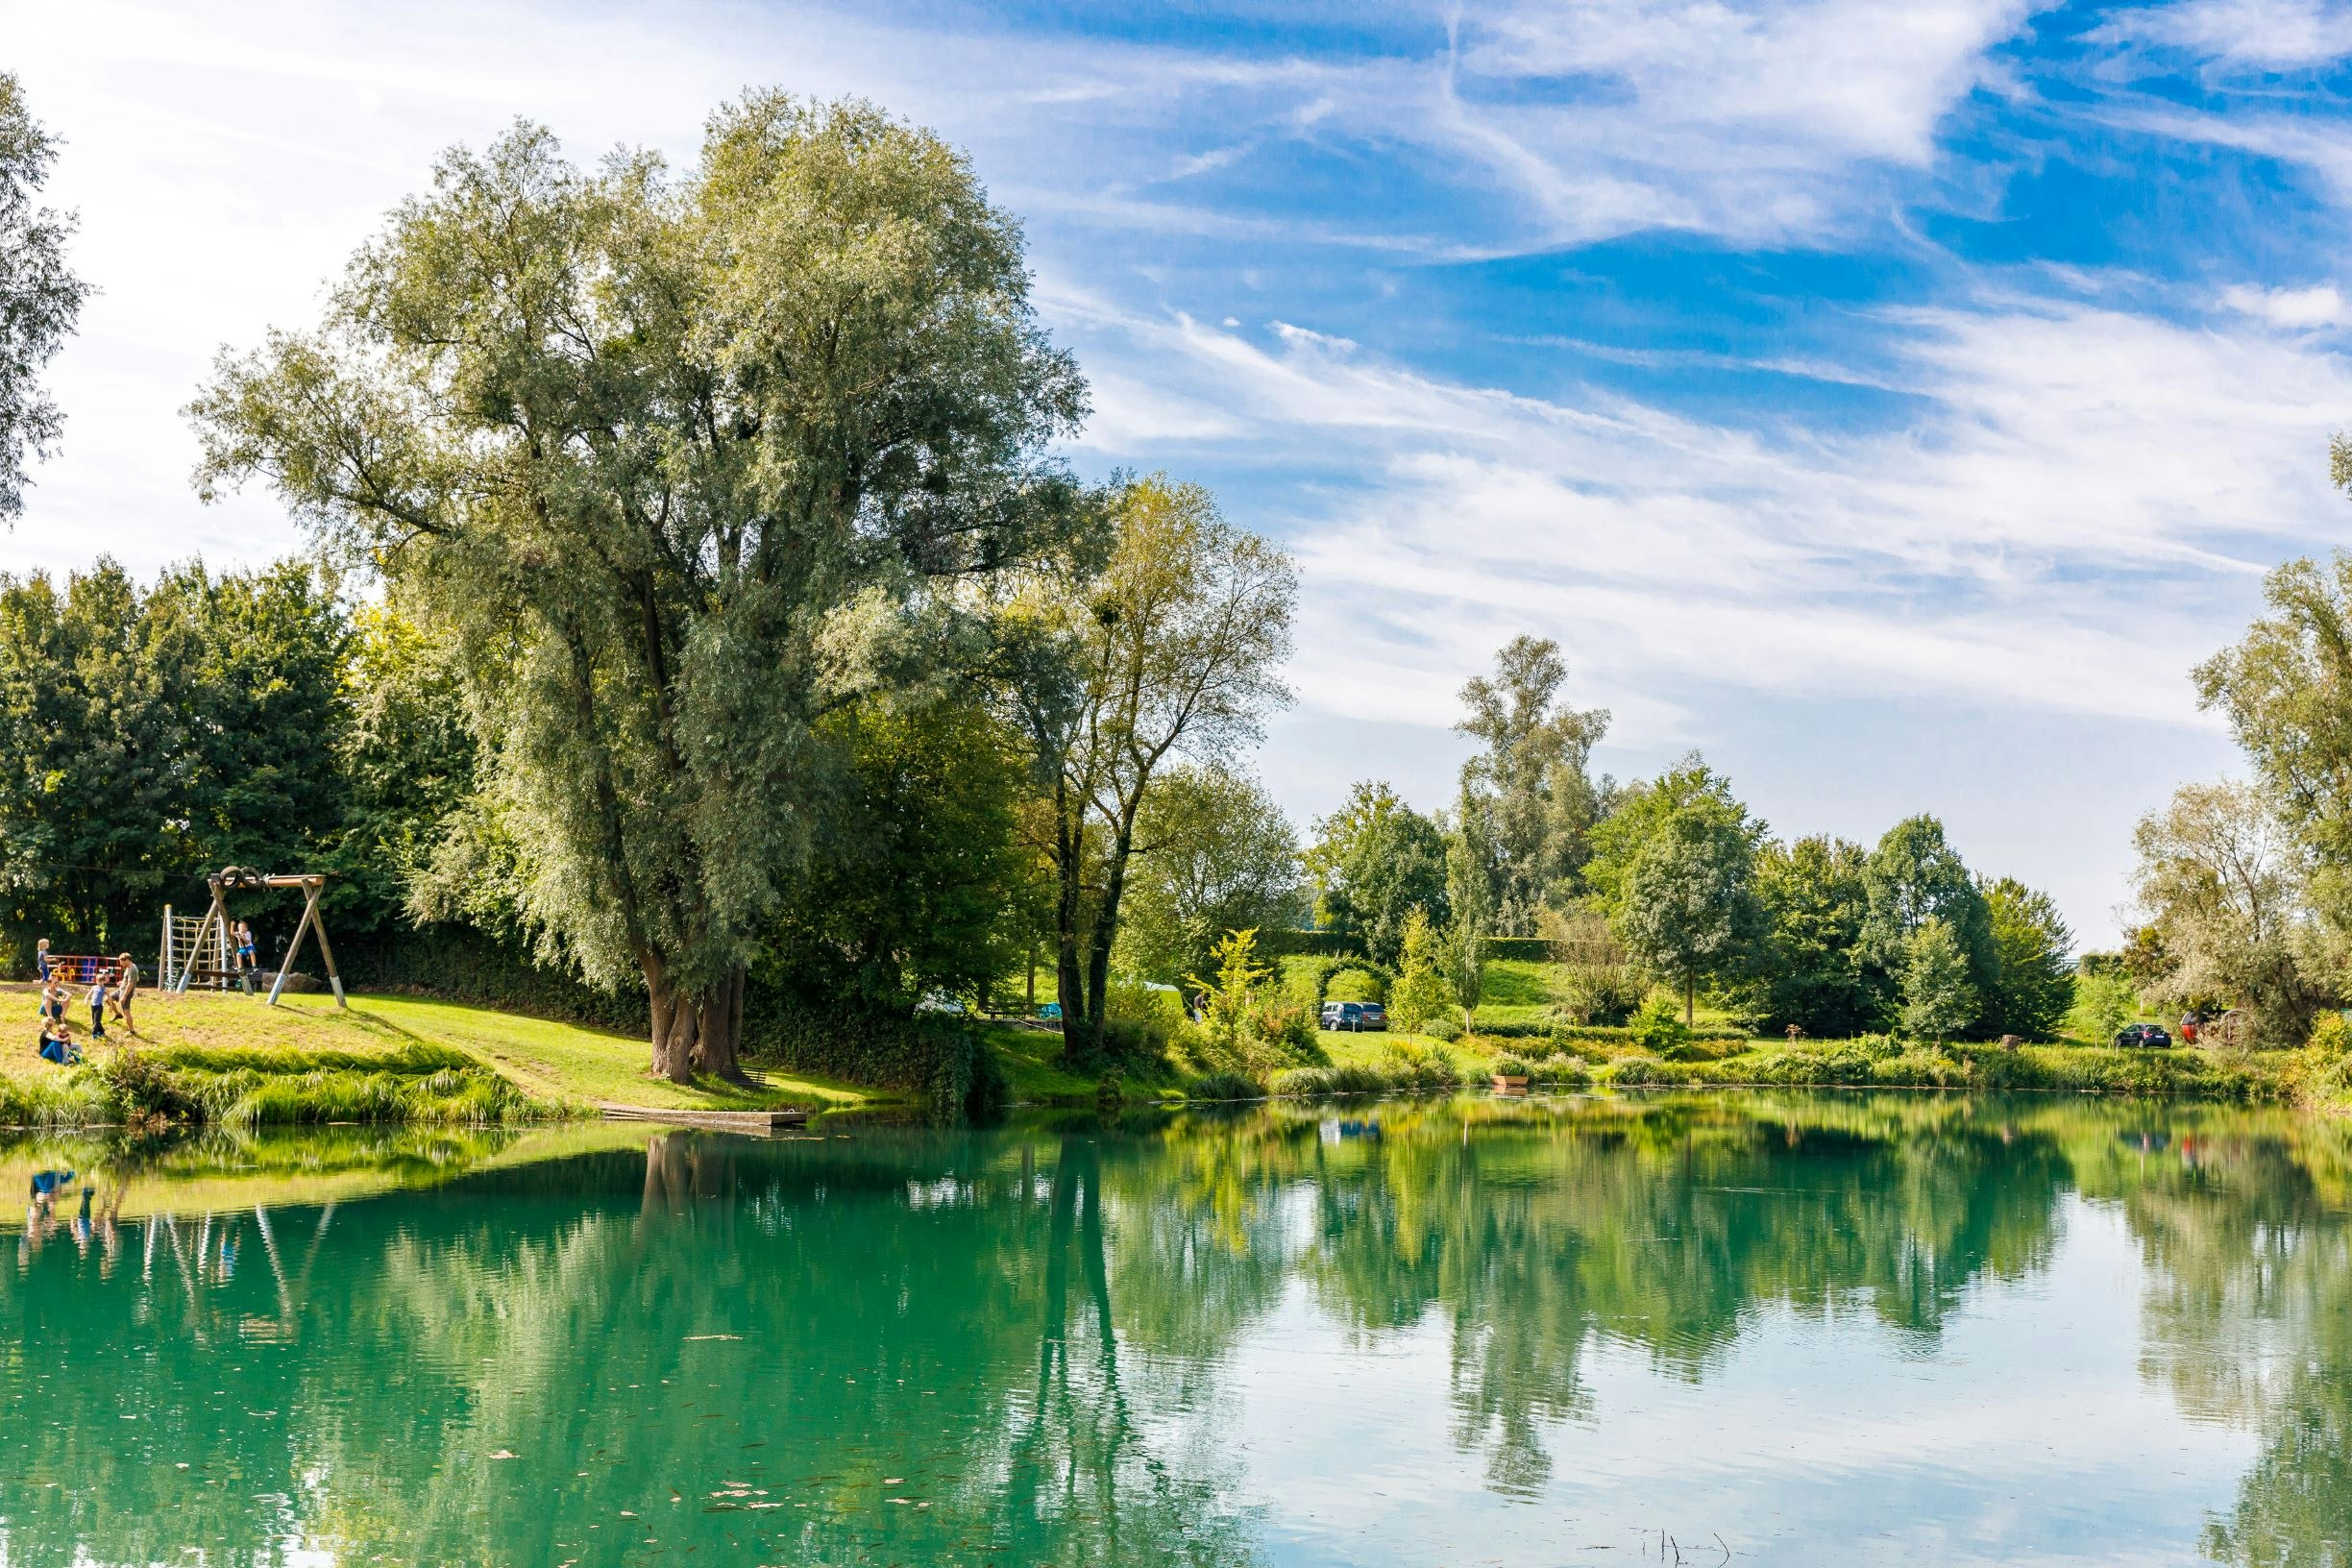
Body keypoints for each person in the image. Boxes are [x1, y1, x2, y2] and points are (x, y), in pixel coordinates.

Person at [110, 952, 139, 1034]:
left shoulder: (132, 969)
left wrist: (124, 996)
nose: (120, 963)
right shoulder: (128, 967)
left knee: (126, 1012)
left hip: (126, 992)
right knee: (108, 999)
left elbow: (130, 984)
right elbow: (130, 980)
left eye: (121, 961)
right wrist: (122, 981)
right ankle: (118, 1014)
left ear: (127, 960)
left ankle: (132, 1031)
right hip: (121, 989)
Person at [85, 970, 108, 1040]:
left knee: (97, 1021)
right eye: (98, 981)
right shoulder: (94, 987)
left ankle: (94, 1033)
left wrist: (111, 1007)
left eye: (101, 981)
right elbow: (88, 994)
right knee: (95, 1020)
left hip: (99, 1006)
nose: (99, 983)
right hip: (93, 1005)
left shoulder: (105, 989)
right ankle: (101, 1031)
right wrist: (86, 1000)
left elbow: (109, 997)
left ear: (104, 981)